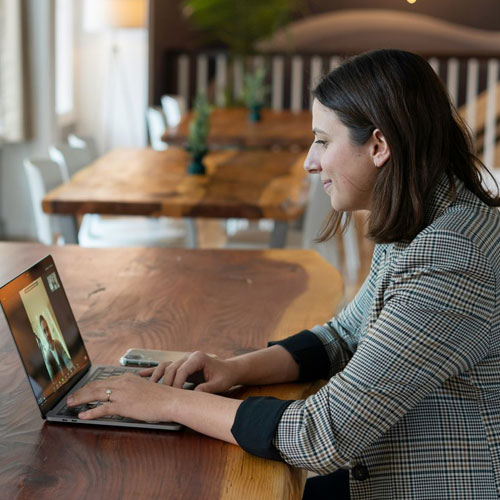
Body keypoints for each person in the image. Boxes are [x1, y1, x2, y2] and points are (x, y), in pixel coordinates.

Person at [67, 49, 500, 499]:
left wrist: (169, 403)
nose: (310, 162)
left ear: (378, 146)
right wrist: (233, 369)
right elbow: (345, 335)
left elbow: (321, 434)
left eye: (323, 141)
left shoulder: (451, 255)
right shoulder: (426, 217)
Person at [39, 314, 73, 380]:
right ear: (42, 334)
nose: (47, 334)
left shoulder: (57, 343)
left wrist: (72, 368)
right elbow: (53, 380)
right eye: (44, 331)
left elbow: (67, 360)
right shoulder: (47, 357)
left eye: (47, 329)